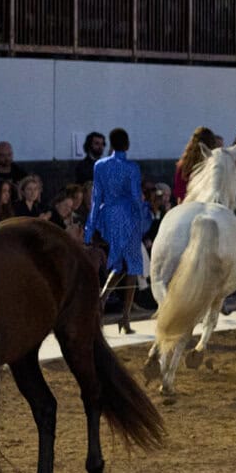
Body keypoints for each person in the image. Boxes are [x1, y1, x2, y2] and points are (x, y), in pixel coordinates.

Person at [85, 127, 151, 334]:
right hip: (127, 216)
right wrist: (142, 219)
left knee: (123, 265)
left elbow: (96, 198)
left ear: (111, 145)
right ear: (127, 144)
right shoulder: (132, 167)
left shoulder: (100, 165)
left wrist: (90, 228)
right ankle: (122, 315)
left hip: (109, 216)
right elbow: (134, 196)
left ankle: (107, 306)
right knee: (129, 266)